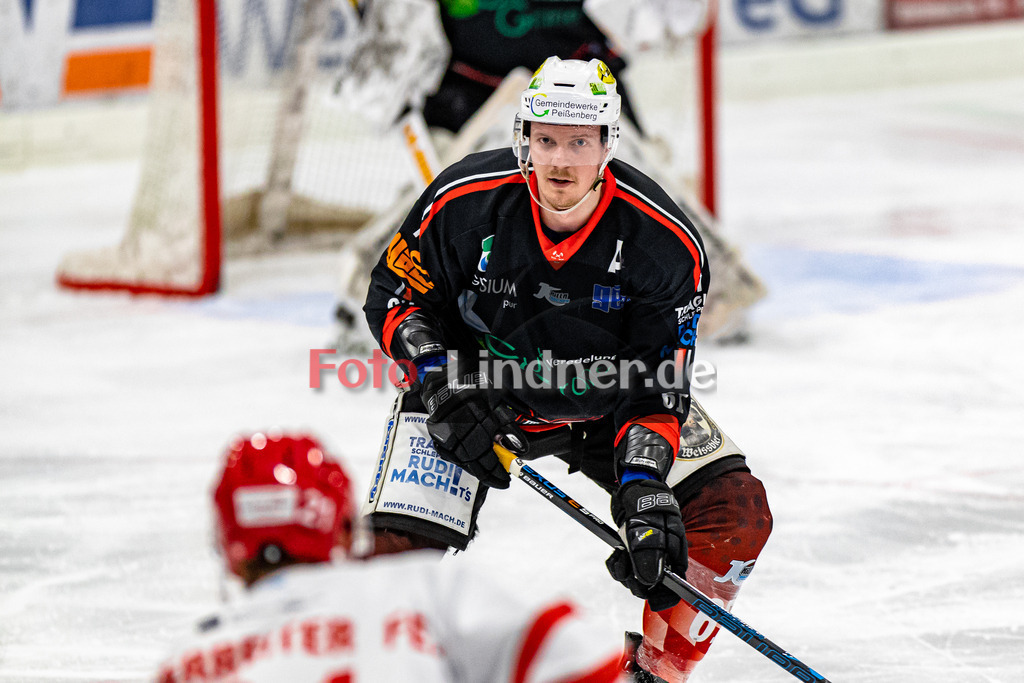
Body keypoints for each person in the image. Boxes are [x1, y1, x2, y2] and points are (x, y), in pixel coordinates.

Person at [360, 57, 773, 682]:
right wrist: (441, 381)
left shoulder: (665, 242)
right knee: (388, 560)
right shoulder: (462, 203)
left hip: (608, 403)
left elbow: (660, 380)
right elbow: (394, 294)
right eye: (546, 139)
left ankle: (657, 671)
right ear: (523, 139)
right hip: (477, 393)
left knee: (732, 512)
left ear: (609, 143)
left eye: (579, 142)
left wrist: (643, 485)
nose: (559, 161)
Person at [153, 431, 626, 682]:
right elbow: (580, 661)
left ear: (229, 550)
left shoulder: (189, 662)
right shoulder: (417, 587)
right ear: (341, 528)